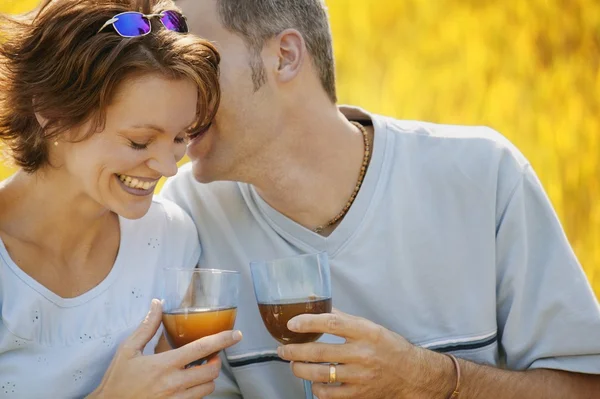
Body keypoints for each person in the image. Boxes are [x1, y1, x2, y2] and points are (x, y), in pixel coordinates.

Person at [161, 0, 600, 398]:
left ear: (284, 56)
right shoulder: (185, 218)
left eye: (197, 59)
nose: (172, 91)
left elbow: (585, 387)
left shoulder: (483, 175)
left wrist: (428, 378)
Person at [0, 0, 242, 398]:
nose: (167, 167)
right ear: (52, 113)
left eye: (181, 137)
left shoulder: (170, 236)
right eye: (140, 141)